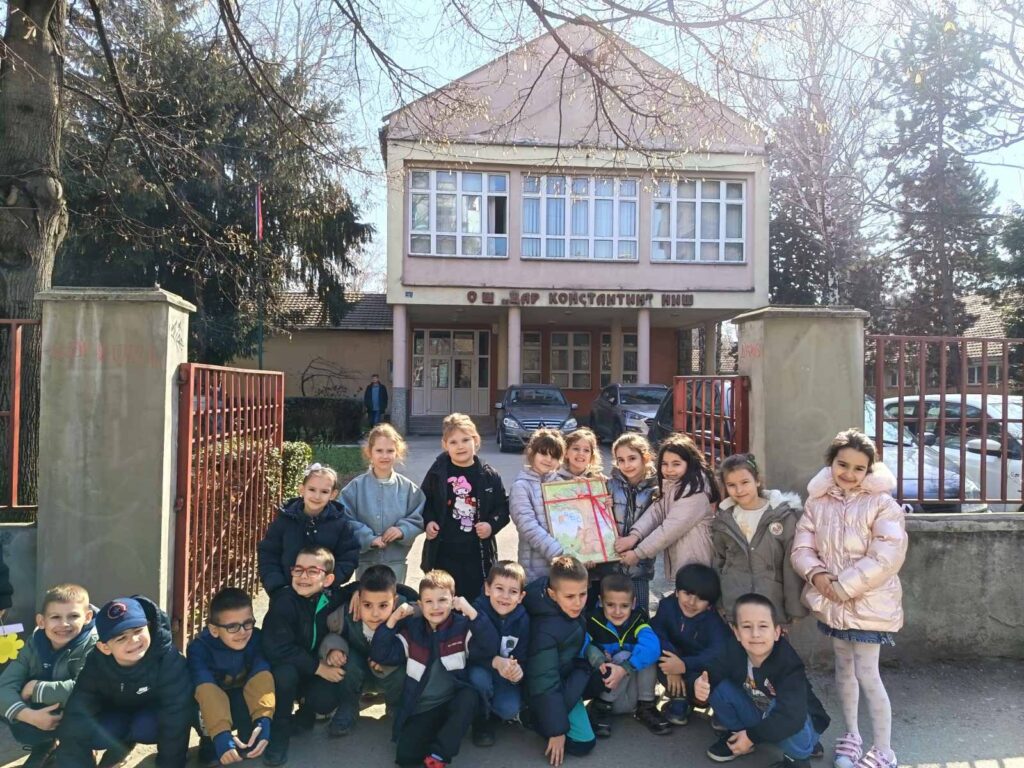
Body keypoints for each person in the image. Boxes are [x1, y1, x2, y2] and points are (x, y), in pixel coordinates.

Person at [792, 429, 907, 768]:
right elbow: (802, 547)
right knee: (843, 668)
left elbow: (887, 556)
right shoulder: (817, 502)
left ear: (869, 470)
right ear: (831, 464)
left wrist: (843, 587)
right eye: (843, 465)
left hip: (869, 605)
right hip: (832, 605)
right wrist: (817, 575)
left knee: (868, 673)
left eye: (859, 468)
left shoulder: (882, 504)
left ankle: (884, 750)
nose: (850, 473)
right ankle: (852, 735)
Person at [369, 569, 498, 768]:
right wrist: (393, 620)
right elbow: (381, 654)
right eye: (429, 601)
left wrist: (471, 612)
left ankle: (439, 755)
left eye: (442, 600)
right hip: (424, 707)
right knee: (406, 758)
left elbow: (489, 646)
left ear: (453, 601)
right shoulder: (413, 630)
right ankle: (438, 733)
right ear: (420, 605)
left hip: (452, 701)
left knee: (469, 696)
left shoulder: (461, 627)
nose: (436, 607)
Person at [55, 596, 193, 768]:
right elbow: (78, 712)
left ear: (149, 627)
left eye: (138, 631)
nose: (133, 641)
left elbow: (176, 713)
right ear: (105, 647)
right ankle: (118, 748)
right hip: (115, 716)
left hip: (150, 718)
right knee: (93, 731)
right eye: (121, 638)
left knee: (148, 726)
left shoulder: (169, 660)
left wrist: (170, 764)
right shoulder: (96, 664)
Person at [695, 594, 830, 768]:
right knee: (717, 686)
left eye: (763, 626)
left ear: (777, 632)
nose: (755, 634)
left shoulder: (788, 664)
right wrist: (699, 685)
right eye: (746, 626)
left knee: (782, 709)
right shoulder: (732, 649)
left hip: (797, 721)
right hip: (760, 715)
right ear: (736, 632)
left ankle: (798, 759)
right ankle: (738, 735)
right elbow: (711, 672)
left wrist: (752, 736)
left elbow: (792, 716)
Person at [260, 546, 348, 766]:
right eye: (298, 570)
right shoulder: (284, 601)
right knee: (285, 676)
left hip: (311, 667)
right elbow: (278, 648)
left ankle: (306, 714)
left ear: (328, 580)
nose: (303, 576)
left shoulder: (330, 598)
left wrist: (408, 598)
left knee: (326, 698)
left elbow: (364, 587)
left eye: (312, 571)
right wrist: (319, 668)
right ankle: (279, 735)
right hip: (284, 667)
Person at [0, 584, 96, 767]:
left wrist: (35, 688)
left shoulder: (95, 644)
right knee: (12, 711)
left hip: (86, 714)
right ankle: (44, 745)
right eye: (55, 617)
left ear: (87, 617)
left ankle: (83, 749)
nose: (64, 624)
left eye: (73, 616)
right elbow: (4, 687)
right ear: (41, 621)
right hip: (50, 711)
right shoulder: (34, 643)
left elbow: (86, 689)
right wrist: (29, 716)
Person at [318, 564, 419, 738]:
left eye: (383, 606)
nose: (375, 613)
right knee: (346, 660)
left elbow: (426, 610)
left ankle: (396, 707)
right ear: (358, 599)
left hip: (390, 675)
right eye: (367, 605)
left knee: (404, 668)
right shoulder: (347, 615)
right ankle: (348, 707)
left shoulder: (404, 614)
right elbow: (329, 633)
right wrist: (334, 649)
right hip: (357, 674)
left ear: (394, 602)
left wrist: (391, 658)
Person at [524, 556, 603, 767]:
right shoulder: (545, 630)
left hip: (566, 672)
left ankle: (566, 708)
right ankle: (535, 718)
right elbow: (544, 682)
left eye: (583, 594)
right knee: (584, 744)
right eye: (569, 596)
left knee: (602, 676)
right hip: (547, 686)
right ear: (552, 594)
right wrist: (556, 730)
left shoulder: (565, 607)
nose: (578, 602)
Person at [420, 413, 510, 601]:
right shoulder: (437, 473)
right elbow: (424, 502)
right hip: (443, 551)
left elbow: (502, 508)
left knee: (476, 601)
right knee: (445, 600)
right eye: (453, 442)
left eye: (465, 440)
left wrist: (491, 525)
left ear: (476, 441)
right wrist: (428, 522)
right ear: (445, 445)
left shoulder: (489, 475)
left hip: (477, 553)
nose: (460, 446)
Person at [713, 453, 807, 625]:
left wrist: (794, 608)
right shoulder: (724, 520)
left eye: (745, 482)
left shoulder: (782, 516)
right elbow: (719, 561)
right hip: (736, 602)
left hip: (772, 602)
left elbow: (790, 565)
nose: (739, 490)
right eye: (731, 485)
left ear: (757, 481)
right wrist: (720, 602)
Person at [188, 587, 274, 766]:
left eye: (248, 623)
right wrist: (220, 732)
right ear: (214, 630)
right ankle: (210, 740)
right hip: (210, 704)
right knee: (199, 699)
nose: (242, 632)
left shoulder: (256, 639)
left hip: (241, 699)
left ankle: (250, 731)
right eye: (232, 627)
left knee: (265, 682)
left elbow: (261, 677)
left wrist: (264, 717)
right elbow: (206, 688)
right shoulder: (199, 648)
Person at [616, 434, 718, 583]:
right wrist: (634, 536)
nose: (669, 469)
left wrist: (638, 553)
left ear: (690, 463)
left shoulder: (695, 492)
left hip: (697, 561)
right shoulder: (672, 485)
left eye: (676, 464)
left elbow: (670, 529)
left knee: (693, 595)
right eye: (665, 464)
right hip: (685, 561)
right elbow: (655, 512)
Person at [584, 573, 670, 738]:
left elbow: (652, 647)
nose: (617, 611)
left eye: (624, 606)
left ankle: (647, 707)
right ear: (601, 601)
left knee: (645, 654)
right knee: (622, 655)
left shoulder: (638, 620)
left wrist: (626, 667)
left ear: (633, 603)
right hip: (608, 693)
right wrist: (598, 657)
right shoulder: (593, 621)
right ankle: (600, 708)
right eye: (610, 605)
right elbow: (584, 645)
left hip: (633, 693)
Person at [341, 423, 426, 583]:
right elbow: (345, 519)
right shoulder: (355, 488)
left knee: (395, 597)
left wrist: (402, 530)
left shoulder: (409, 489)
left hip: (396, 564)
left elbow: (419, 517)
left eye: (390, 451)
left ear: (398, 452)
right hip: (365, 563)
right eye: (379, 450)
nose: (384, 456)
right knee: (366, 597)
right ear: (369, 452)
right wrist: (368, 538)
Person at [258, 463, 359, 596]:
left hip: (324, 594)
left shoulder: (341, 525)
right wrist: (277, 587)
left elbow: (348, 558)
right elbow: (268, 554)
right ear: (302, 489)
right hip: (286, 592)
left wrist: (327, 583)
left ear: (333, 494)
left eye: (324, 492)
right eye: (312, 489)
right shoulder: (284, 521)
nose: (317, 496)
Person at [650, 564, 730, 727]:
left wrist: (683, 665)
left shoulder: (713, 621)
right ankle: (679, 701)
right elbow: (657, 632)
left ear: (710, 604)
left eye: (701, 598)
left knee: (714, 671)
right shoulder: (667, 606)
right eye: (687, 594)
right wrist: (673, 666)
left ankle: (719, 706)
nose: (692, 602)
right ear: (677, 591)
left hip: (699, 670)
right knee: (655, 654)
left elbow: (717, 652)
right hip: (673, 662)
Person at [589, 433, 659, 612]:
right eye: (621, 460)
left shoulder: (656, 490)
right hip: (610, 567)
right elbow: (593, 517)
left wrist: (638, 552)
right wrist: (599, 501)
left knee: (639, 614)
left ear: (645, 457)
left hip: (639, 567)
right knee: (609, 613)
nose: (627, 465)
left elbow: (657, 529)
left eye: (632, 458)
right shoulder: (609, 486)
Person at [468, 560, 530, 748]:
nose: (505, 596)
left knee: (509, 709)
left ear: (521, 596)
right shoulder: (476, 611)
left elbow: (522, 655)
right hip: (479, 669)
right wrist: (494, 662)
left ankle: (493, 712)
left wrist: (517, 672)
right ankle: (481, 719)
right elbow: (469, 651)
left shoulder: (523, 620)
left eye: (513, 591)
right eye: (499, 588)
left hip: (503, 677)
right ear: (487, 589)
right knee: (479, 679)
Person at [510, 428, 571, 583]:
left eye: (554, 456)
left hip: (563, 568)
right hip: (534, 570)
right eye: (543, 453)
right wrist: (558, 553)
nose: (548, 459)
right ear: (532, 453)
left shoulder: (561, 484)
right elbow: (527, 525)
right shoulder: (521, 486)